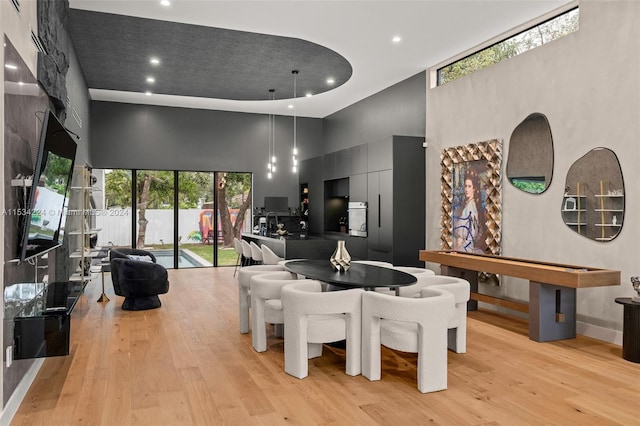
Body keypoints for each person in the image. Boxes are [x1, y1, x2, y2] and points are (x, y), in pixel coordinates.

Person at [453, 168, 485, 253]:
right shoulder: (466, 206)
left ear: (474, 188)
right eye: (465, 186)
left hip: (466, 249)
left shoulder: (471, 208)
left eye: (469, 186)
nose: (466, 189)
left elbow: (470, 235)